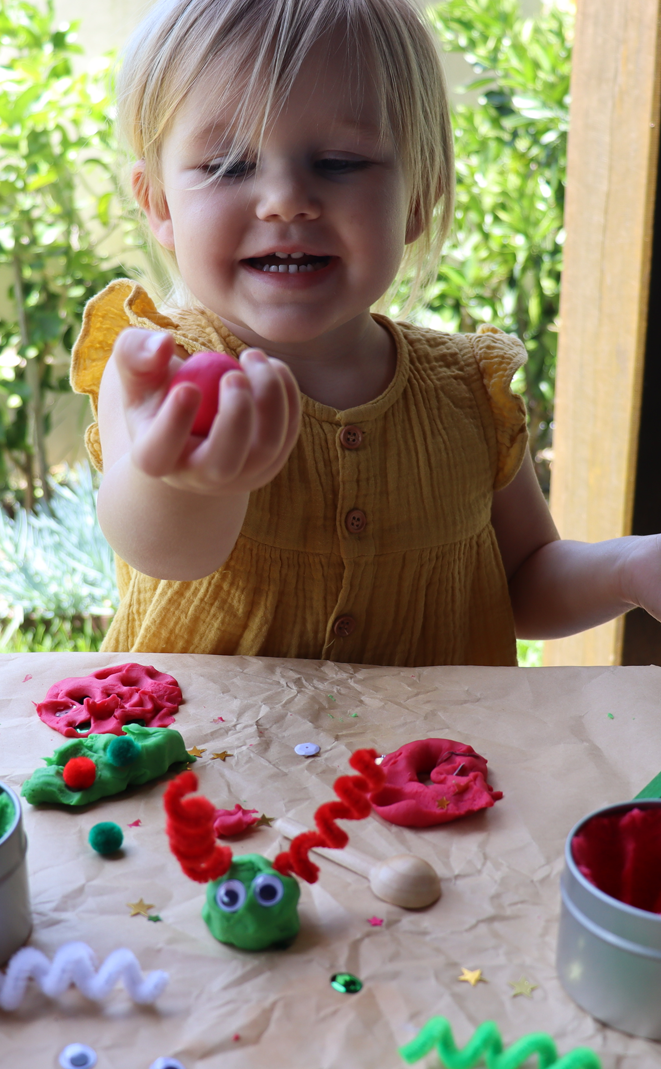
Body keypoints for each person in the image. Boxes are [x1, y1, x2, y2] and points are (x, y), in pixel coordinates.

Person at [70, 0, 661, 665]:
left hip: (425, 765)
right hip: (213, 763)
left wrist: (629, 568)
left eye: (342, 162)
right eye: (229, 165)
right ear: (159, 206)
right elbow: (164, 552)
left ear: (418, 197)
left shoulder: (469, 394)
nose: (286, 199)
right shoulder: (160, 368)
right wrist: (185, 482)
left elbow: (522, 580)